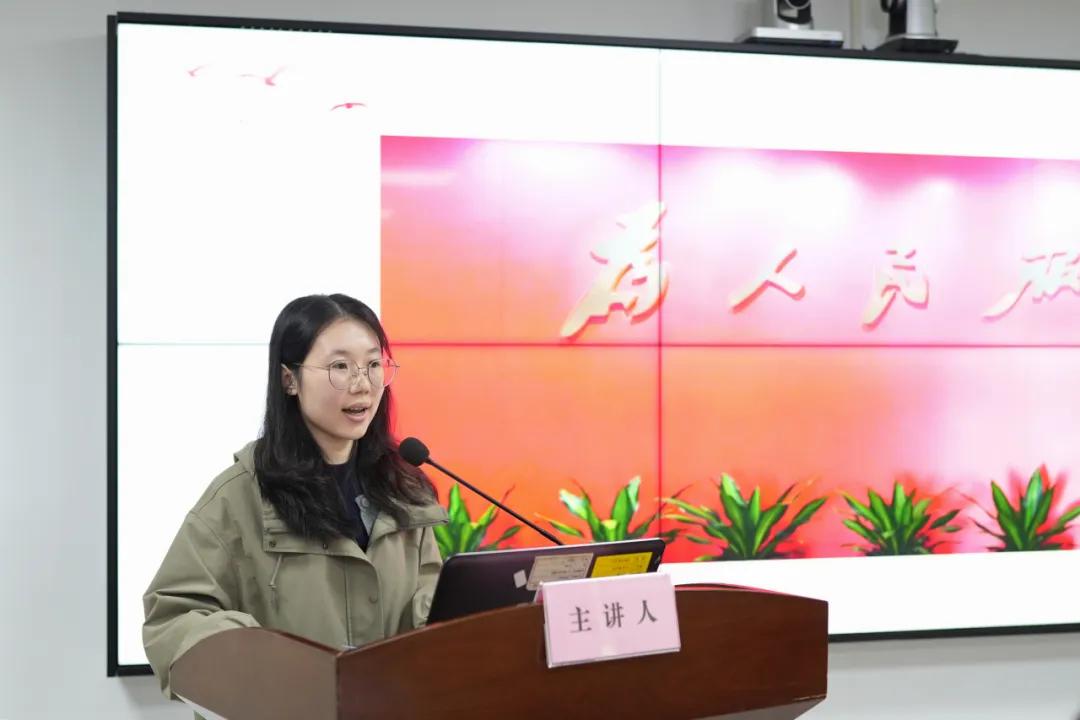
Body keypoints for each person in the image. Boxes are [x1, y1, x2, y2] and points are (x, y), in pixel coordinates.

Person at [143, 293, 447, 699]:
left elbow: (431, 607)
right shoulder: (239, 496)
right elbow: (174, 617)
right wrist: (261, 662)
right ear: (289, 379)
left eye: (374, 365)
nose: (362, 384)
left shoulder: (403, 490)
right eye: (340, 367)